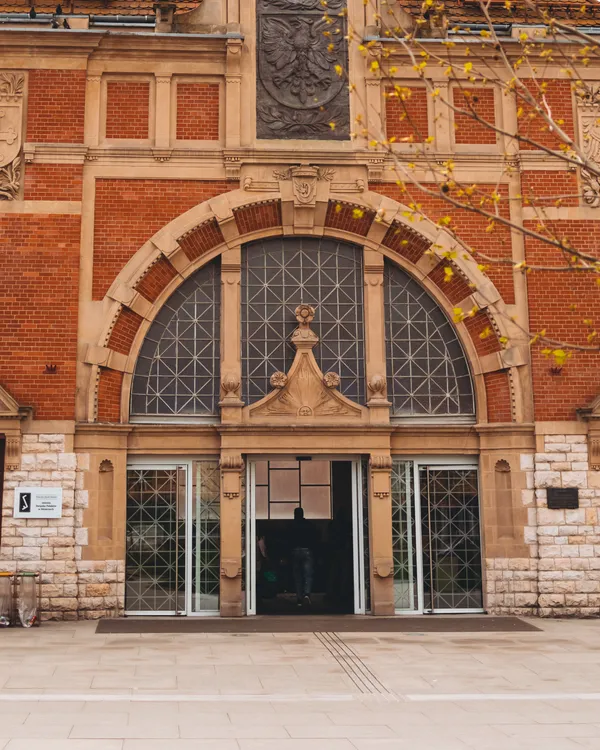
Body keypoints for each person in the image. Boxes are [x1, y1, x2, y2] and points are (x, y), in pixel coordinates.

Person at [289, 506, 318, 607]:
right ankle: (307, 593)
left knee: (297, 576)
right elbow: (315, 538)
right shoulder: (309, 525)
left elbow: (287, 540)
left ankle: (299, 598)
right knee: (308, 574)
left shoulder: (292, 526)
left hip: (295, 551)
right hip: (307, 551)